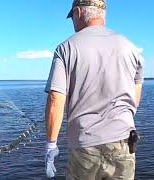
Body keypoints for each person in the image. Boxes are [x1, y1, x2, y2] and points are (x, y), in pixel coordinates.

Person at [44, 0, 144, 179]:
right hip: (124, 142)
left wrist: (51, 144)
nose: (72, 21)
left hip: (85, 148)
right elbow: (134, 96)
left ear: (79, 13)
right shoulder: (131, 48)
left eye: (72, 16)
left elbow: (55, 99)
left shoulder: (65, 49)